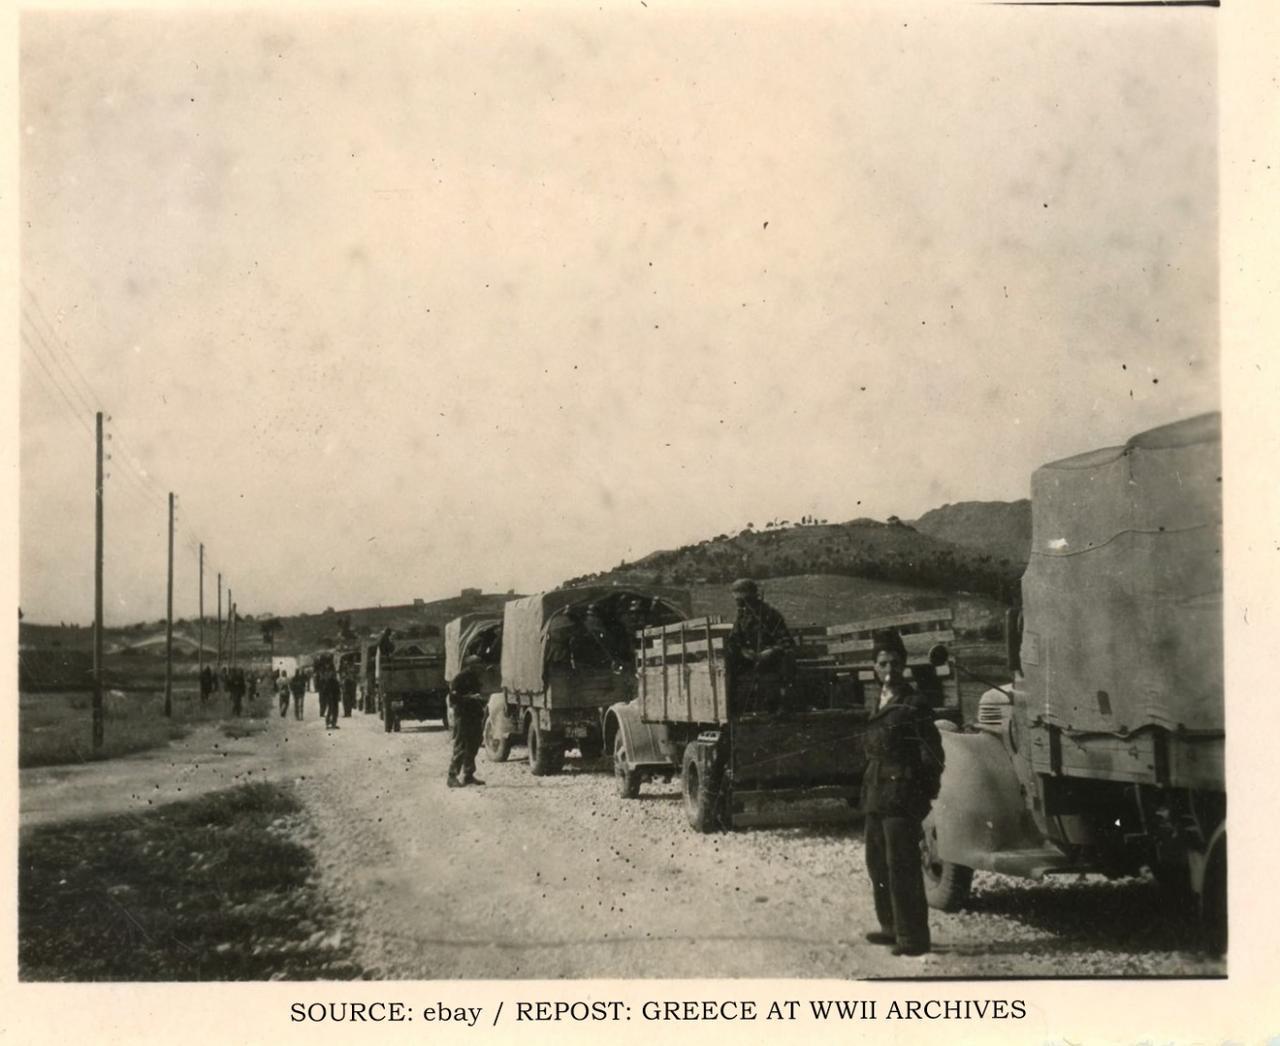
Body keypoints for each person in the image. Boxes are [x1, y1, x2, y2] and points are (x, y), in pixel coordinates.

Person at [859, 628, 945, 957]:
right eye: (883, 663)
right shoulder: (877, 699)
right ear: (874, 668)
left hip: (901, 795)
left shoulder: (914, 703)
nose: (890, 669)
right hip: (876, 793)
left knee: (903, 867)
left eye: (895, 663)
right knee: (877, 863)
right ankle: (891, 927)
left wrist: (922, 795)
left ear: (904, 665)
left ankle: (912, 939)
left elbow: (933, 754)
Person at [726, 578, 795, 713]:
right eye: (738, 602)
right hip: (749, 661)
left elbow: (786, 642)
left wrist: (770, 652)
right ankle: (733, 710)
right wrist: (744, 651)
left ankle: (782, 707)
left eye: (743, 601)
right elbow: (734, 641)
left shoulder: (770, 615)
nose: (741, 606)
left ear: (753, 597)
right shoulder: (742, 618)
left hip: (771, 660)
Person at [446, 655, 489, 787]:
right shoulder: (460, 678)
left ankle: (468, 774)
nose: (481, 668)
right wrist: (469, 698)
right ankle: (452, 776)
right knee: (461, 745)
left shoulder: (475, 678)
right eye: (478, 665)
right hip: (463, 716)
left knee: (474, 744)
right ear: (471, 666)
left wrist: (480, 700)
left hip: (474, 715)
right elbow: (453, 698)